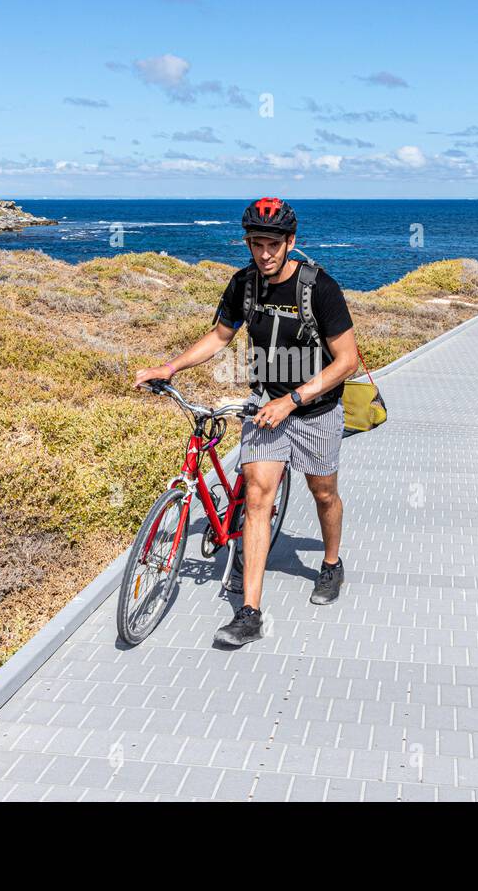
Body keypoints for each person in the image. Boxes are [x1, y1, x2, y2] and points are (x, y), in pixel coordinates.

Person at [132, 197, 359, 646]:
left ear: (291, 242)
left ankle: (331, 564)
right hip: (264, 406)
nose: (265, 253)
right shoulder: (244, 285)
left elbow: (347, 361)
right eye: (256, 244)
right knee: (257, 497)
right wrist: (170, 367)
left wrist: (294, 400)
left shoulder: (320, 288)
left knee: (324, 492)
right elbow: (219, 335)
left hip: (316, 409)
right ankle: (250, 612)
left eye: (273, 244)